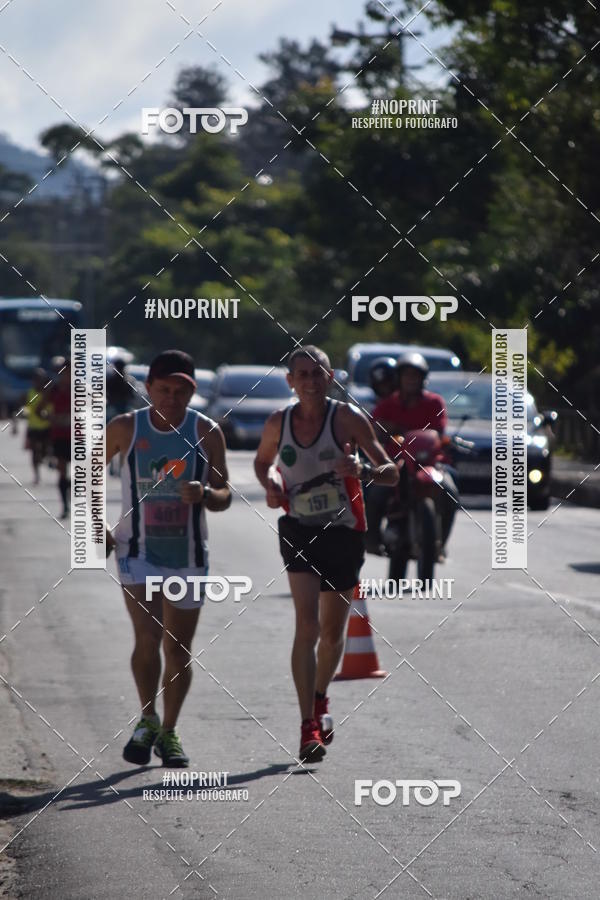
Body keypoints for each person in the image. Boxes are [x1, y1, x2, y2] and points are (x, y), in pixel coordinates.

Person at [254, 345, 398, 762]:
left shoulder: (347, 419)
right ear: (290, 382)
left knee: (333, 634)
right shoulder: (278, 422)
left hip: (343, 532)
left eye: (318, 373)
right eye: (302, 375)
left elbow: (391, 471)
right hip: (298, 529)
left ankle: (320, 699)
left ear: (330, 378)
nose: (311, 381)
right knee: (307, 625)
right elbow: (262, 463)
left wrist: (364, 471)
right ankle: (307, 727)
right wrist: (270, 485)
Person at [106, 350, 231, 767]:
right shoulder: (126, 427)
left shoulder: (206, 431)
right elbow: (85, 472)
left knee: (178, 650)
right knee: (148, 638)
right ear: (148, 388)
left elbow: (224, 494)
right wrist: (94, 526)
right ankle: (147, 718)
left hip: (187, 555)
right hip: (137, 551)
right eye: (164, 390)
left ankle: (169, 731)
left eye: (181, 391)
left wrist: (206, 494)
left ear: (192, 393)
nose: (172, 399)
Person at [366, 351, 458, 556]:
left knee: (450, 491)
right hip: (396, 463)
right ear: (398, 378)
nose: (410, 380)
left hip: (429, 463)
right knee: (376, 491)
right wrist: (384, 430)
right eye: (406, 375)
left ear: (423, 378)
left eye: (415, 376)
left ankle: (439, 544)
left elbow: (439, 431)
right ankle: (371, 540)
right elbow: (372, 429)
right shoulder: (387, 404)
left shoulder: (434, 402)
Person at [38, 358, 71, 519]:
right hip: (59, 436)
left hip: (78, 436)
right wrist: (52, 418)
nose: (67, 375)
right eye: (64, 372)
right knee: (62, 470)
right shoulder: (53, 390)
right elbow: (39, 410)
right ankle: (65, 505)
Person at [24, 368, 51, 484]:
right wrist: (25, 413)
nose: (37, 381)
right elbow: (25, 408)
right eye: (35, 379)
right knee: (34, 452)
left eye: (40, 379)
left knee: (46, 450)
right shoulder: (30, 393)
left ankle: (45, 458)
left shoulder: (48, 393)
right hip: (33, 426)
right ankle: (36, 475)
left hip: (47, 426)